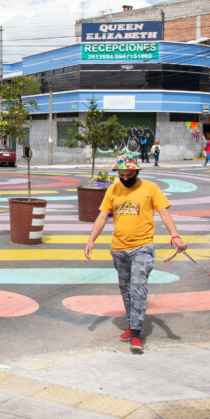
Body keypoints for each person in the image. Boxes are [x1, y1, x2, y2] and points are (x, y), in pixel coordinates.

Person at [84, 151, 187, 354]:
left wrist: (175, 235)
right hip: (118, 249)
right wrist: (91, 239)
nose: (125, 178)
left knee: (138, 288)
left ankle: (136, 333)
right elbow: (102, 216)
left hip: (142, 248)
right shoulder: (113, 190)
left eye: (129, 175)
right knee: (126, 290)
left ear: (137, 172)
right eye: (121, 175)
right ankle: (132, 325)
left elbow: (164, 212)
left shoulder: (150, 188)